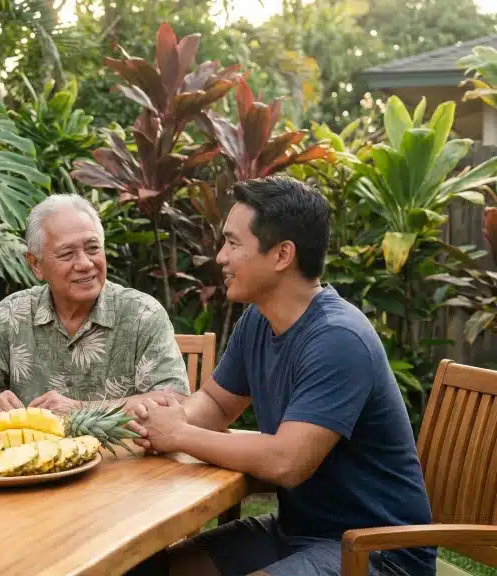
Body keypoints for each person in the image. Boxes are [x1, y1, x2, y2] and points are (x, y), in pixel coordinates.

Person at [126, 175, 435, 576]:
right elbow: (217, 403)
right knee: (156, 569)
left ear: (282, 254)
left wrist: (180, 435)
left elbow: (287, 461)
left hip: (379, 550)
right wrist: (164, 423)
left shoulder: (338, 338)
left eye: (234, 243)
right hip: (297, 533)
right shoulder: (258, 319)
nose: (220, 256)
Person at [0, 194, 189, 416]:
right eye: (67, 254)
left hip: (125, 460)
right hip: (34, 457)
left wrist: (81, 409)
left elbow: (174, 400)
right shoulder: (13, 313)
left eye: (92, 248)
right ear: (36, 264)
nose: (85, 263)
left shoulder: (142, 314)